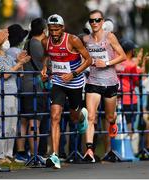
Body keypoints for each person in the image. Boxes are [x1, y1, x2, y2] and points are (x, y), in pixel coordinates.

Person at [41, 14, 92, 169]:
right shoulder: (46, 41)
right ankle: (55, 155)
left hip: (75, 83)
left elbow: (89, 60)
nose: (54, 33)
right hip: (58, 82)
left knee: (74, 117)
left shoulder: (73, 40)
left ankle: (82, 114)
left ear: (62, 28)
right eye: (51, 30)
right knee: (55, 116)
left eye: (57, 30)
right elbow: (46, 55)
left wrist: (74, 74)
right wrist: (44, 68)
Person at [82, 9, 126, 162]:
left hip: (110, 82)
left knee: (109, 116)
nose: (94, 23)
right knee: (91, 117)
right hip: (93, 81)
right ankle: (89, 150)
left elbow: (123, 55)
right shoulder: (86, 40)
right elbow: (84, 58)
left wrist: (106, 62)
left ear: (102, 22)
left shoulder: (109, 37)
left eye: (97, 20)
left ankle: (113, 123)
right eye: (92, 21)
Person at [15, 17, 47, 163]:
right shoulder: (39, 45)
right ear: (44, 30)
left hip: (24, 85)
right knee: (35, 122)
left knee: (23, 121)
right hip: (36, 87)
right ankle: (35, 156)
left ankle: (21, 153)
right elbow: (46, 66)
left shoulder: (27, 43)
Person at [0, 36, 30, 165]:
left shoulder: (9, 58)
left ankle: (8, 154)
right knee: (3, 126)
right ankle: (0, 155)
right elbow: (5, 75)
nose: (7, 42)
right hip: (4, 93)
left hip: (13, 93)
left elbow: (20, 73)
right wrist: (19, 63)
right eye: (4, 40)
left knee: (12, 126)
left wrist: (20, 61)